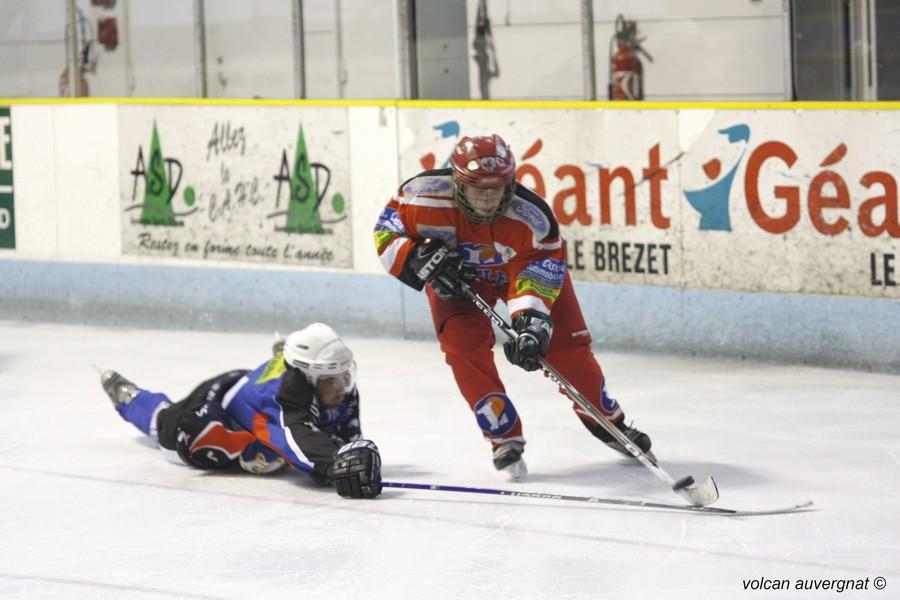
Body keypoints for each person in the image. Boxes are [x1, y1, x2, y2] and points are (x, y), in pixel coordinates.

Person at [374, 134, 653, 481]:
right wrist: (416, 257)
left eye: (497, 188)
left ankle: (607, 421)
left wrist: (532, 322)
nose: (489, 198)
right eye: (478, 189)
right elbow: (386, 232)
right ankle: (503, 436)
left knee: (566, 348)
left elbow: (539, 267)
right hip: (458, 284)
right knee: (463, 349)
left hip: (518, 276)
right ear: (458, 182)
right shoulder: (421, 195)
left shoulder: (533, 218)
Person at [98, 323, 382, 499]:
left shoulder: (329, 382)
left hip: (248, 387)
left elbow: (346, 437)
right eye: (332, 379)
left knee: (270, 451)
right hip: (212, 412)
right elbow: (296, 437)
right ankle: (128, 396)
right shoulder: (283, 399)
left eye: (345, 374)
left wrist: (348, 452)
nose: (342, 387)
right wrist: (334, 461)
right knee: (169, 426)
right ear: (308, 376)